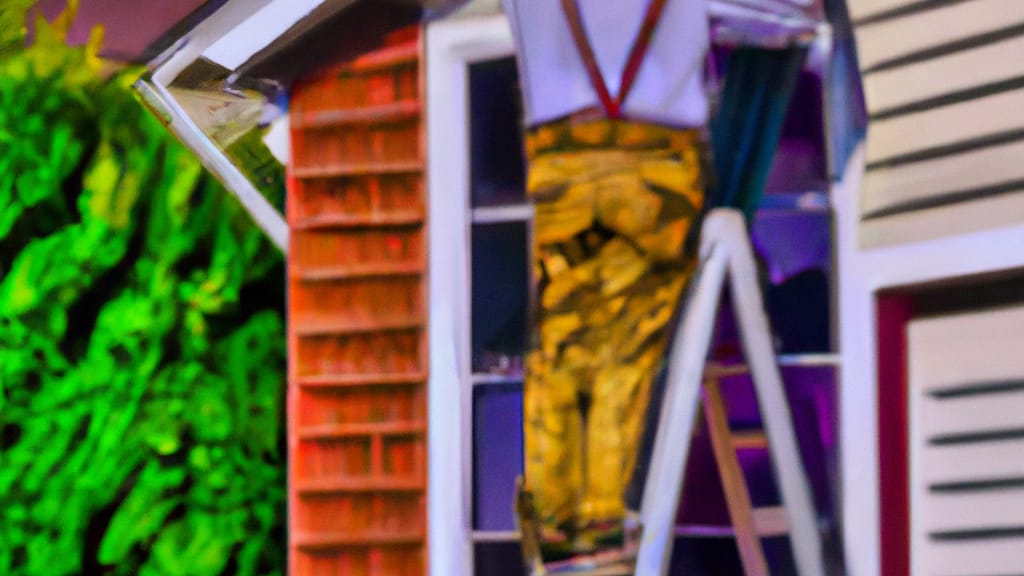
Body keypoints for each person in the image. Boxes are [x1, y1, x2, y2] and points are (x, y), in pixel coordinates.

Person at [501, 0, 712, 558]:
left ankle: (559, 526)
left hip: (562, 154)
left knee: (562, 339)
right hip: (657, 158)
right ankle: (597, 530)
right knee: (630, 343)